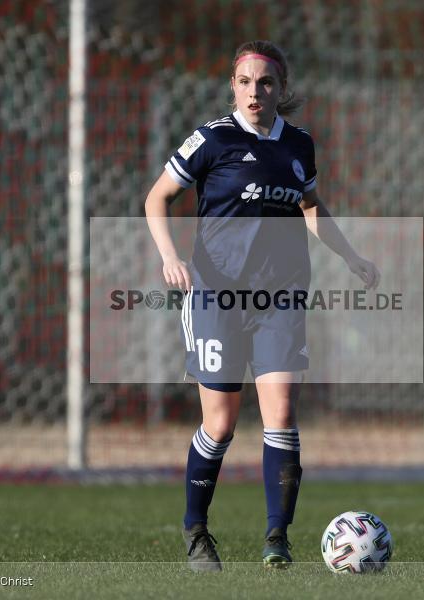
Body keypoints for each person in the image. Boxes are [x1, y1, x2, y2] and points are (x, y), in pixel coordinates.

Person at [144, 40, 379, 571]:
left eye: (266, 83)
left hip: (279, 298)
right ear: (233, 86)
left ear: (282, 89)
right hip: (215, 296)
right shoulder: (211, 139)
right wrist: (169, 257)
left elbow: (311, 207)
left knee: (281, 417)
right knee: (221, 425)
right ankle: (196, 531)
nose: (255, 91)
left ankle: (278, 539)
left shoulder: (298, 144)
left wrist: (352, 257)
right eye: (246, 82)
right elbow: (157, 197)